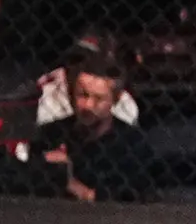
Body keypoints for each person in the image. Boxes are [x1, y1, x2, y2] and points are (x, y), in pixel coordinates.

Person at [32, 57, 160, 200]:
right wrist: (43, 166)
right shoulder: (52, 133)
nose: (88, 105)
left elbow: (140, 197)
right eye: (83, 95)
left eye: (99, 98)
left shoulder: (134, 144)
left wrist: (77, 188)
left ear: (115, 100)